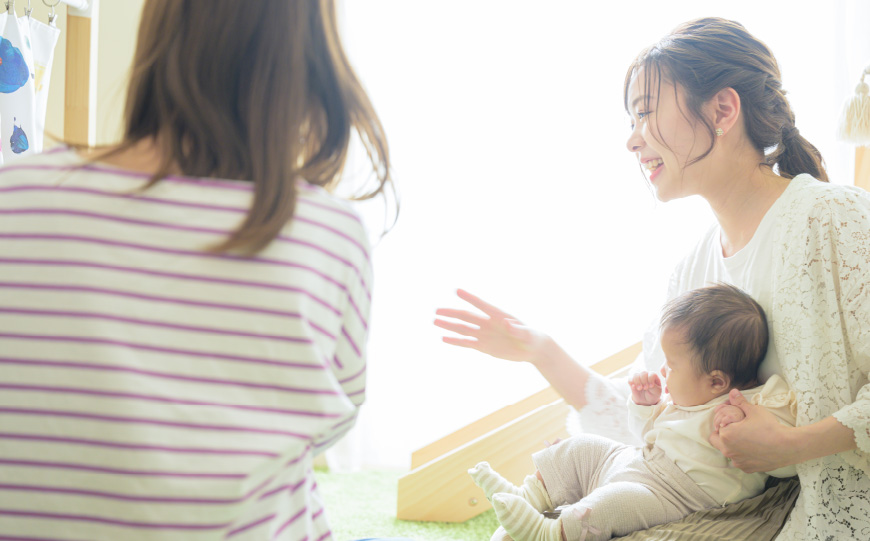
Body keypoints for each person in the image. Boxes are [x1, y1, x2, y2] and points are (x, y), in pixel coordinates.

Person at [435, 17, 870, 541]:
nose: (631, 140)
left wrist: (795, 444)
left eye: (644, 112)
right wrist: (540, 350)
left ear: (722, 110)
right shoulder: (693, 269)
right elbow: (651, 425)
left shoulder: (836, 219)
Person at [0, 1, 394, 539]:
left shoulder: (14, 199)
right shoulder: (331, 234)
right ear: (309, 60)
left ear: (157, 37)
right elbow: (332, 416)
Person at [469, 284, 797, 541]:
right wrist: (646, 406)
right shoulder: (687, 398)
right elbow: (644, 436)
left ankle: (549, 533)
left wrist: (750, 425)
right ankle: (529, 495)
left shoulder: (759, 402)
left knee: (613, 503)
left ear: (716, 382)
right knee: (582, 447)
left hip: (675, 496)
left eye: (672, 365)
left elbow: (787, 457)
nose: (664, 370)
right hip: (639, 460)